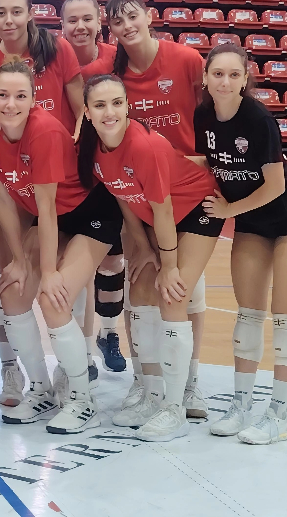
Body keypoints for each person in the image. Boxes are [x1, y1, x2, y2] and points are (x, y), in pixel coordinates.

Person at [0, 61, 122, 433]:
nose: (10, 104)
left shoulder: (45, 133)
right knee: (13, 291)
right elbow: (5, 197)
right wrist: (20, 261)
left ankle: (81, 398)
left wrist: (51, 272)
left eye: (20, 96)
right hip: (52, 216)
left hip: (90, 214)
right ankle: (40, 390)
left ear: (34, 100)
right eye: (3, 95)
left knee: (53, 298)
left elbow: (45, 208)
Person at [84, 0, 211, 418]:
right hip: (141, 197)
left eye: (132, 17)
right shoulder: (109, 74)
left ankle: (187, 386)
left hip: (186, 194)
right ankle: (147, 384)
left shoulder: (187, 60)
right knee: (141, 286)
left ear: (150, 16)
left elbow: (211, 117)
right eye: (116, 22)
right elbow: (73, 74)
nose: (126, 27)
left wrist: (199, 163)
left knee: (183, 293)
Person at [77, 75, 222, 441]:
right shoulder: (95, 151)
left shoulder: (145, 146)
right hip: (157, 222)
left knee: (172, 294)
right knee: (139, 292)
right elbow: (125, 199)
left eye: (116, 103)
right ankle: (151, 392)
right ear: (87, 112)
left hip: (195, 211)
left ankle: (174, 408)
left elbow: (163, 208)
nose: (109, 112)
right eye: (99, 105)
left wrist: (169, 264)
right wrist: (141, 248)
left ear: (128, 106)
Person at [194, 44, 287, 445]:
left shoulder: (259, 119)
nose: (225, 82)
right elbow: (208, 164)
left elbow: (276, 185)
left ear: (246, 79)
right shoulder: (202, 115)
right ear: (205, 78)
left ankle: (278, 415)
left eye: (233, 74)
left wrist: (228, 210)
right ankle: (241, 405)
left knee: (285, 317)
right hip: (249, 219)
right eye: (218, 74)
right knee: (247, 314)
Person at [61, 0, 126, 373]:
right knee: (77, 267)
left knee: (114, 261)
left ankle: (108, 333)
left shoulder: (115, 61)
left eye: (87, 19)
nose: (80, 26)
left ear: (100, 22)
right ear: (62, 25)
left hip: (110, 174)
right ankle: (83, 354)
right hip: (68, 176)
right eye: (73, 20)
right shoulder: (52, 57)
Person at [0, 0, 84, 132]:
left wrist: (73, 143)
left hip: (57, 147)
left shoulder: (58, 48)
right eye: (1, 13)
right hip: (10, 152)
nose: (8, 20)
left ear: (30, 14)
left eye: (17, 12)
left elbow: (81, 109)